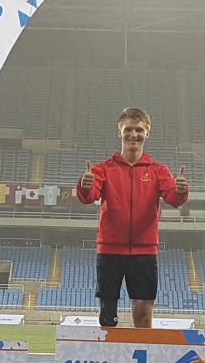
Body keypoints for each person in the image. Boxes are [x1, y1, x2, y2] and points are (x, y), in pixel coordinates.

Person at [77, 107, 188, 328]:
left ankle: (142, 362)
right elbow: (89, 197)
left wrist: (182, 190)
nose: (133, 135)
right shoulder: (103, 169)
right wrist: (84, 185)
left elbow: (174, 199)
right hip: (109, 250)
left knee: (143, 317)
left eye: (139, 130)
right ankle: (111, 361)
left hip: (144, 251)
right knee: (107, 319)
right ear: (120, 131)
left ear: (147, 132)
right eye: (128, 129)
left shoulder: (158, 170)